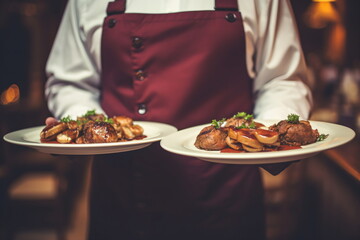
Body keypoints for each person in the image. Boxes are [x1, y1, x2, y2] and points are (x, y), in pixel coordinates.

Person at [45, 0, 312, 239]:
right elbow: (70, 83)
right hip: (123, 194)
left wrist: (269, 140)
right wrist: (83, 130)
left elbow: (282, 80)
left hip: (228, 197)